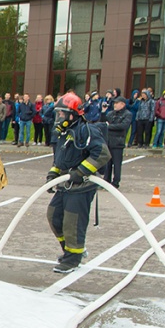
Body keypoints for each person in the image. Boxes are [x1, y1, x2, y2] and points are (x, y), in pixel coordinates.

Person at [44, 92, 109, 274]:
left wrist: (80, 172)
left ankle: (73, 259)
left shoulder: (87, 131)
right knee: (54, 216)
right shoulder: (64, 133)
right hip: (65, 185)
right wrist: (53, 173)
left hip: (81, 186)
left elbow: (102, 154)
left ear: (73, 114)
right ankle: (70, 251)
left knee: (73, 223)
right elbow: (61, 158)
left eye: (63, 114)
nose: (59, 117)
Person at [100, 96, 131, 188]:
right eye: (114, 103)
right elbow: (103, 122)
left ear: (122, 104)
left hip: (118, 142)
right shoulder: (110, 113)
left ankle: (116, 182)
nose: (115, 105)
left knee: (117, 164)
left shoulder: (127, 114)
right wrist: (103, 112)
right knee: (107, 163)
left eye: (117, 103)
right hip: (108, 140)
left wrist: (109, 126)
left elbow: (123, 126)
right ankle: (106, 181)